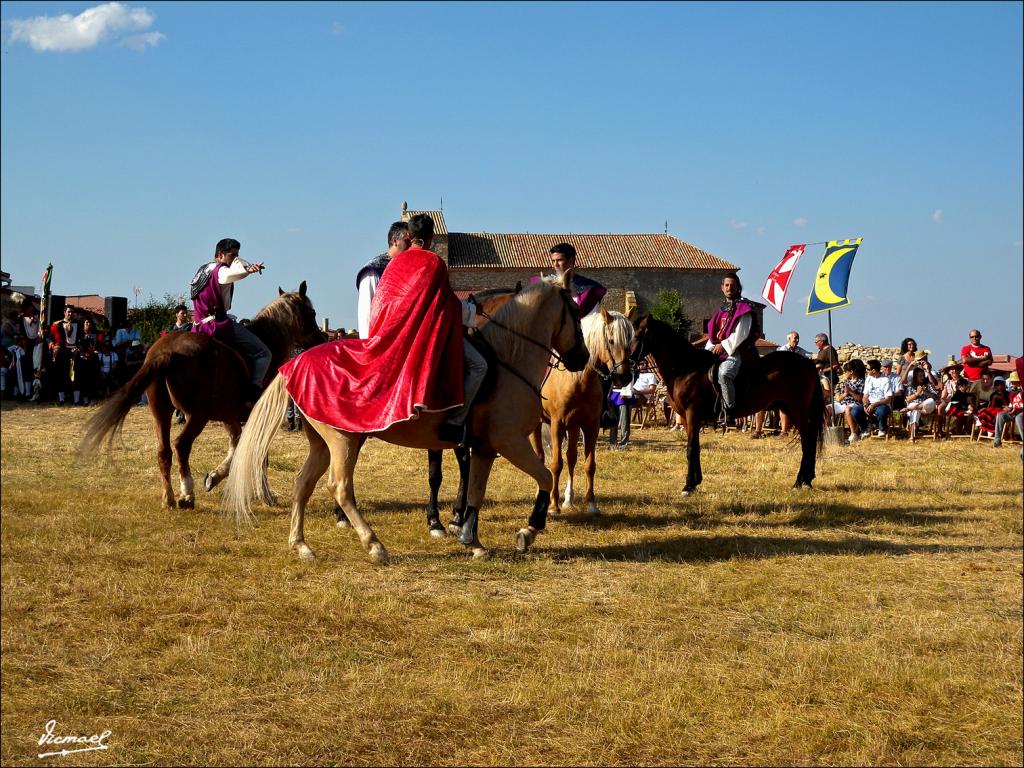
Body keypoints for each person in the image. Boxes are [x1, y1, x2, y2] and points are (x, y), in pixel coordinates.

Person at [278, 214, 469, 444]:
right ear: (428, 238)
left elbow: (387, 304)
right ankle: (454, 421)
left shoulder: (395, 264)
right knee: (476, 365)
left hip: (393, 334)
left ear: (410, 235)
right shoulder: (421, 263)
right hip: (390, 339)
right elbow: (443, 304)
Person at [190, 237, 270, 405]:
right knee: (264, 353)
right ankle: (253, 391)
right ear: (220, 254)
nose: (234, 259)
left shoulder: (202, 270)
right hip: (217, 325)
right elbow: (232, 274)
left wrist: (244, 266)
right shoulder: (221, 270)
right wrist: (250, 269)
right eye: (232, 255)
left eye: (236, 255)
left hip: (198, 326)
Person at [705, 272, 758, 421]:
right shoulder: (721, 310)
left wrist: (723, 346)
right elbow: (713, 334)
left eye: (732, 285)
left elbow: (741, 333)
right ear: (722, 288)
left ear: (738, 288)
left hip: (737, 352)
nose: (729, 288)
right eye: (726, 285)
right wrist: (708, 349)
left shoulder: (744, 308)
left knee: (724, 374)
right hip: (720, 350)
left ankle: (730, 410)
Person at [356, 221, 410, 340]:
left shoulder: (410, 269)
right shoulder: (374, 270)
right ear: (394, 240)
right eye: (407, 241)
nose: (411, 246)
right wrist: (368, 346)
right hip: (379, 342)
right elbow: (366, 314)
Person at [544, 242, 607, 317]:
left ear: (570, 261)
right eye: (553, 261)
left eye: (559, 260)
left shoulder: (590, 290)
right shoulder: (545, 285)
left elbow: (591, 321)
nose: (555, 264)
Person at [830, 359, 867, 443]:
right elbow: (839, 398)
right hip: (843, 402)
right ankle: (827, 432)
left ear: (851, 372)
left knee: (848, 409)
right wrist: (845, 394)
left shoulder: (861, 382)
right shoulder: (845, 382)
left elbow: (861, 398)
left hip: (855, 403)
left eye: (846, 371)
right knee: (828, 408)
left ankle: (853, 434)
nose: (845, 373)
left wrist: (851, 392)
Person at [49, 306, 80, 405]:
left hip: (75, 352)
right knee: (61, 375)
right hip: (63, 353)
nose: (70, 314)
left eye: (72, 312)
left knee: (76, 376)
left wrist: (78, 349)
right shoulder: (57, 325)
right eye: (69, 312)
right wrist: (53, 346)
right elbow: (52, 339)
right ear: (64, 312)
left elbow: (82, 338)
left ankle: (76, 400)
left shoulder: (79, 324)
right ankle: (61, 399)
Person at [901, 367, 939, 442]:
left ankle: (911, 409)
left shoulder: (928, 384)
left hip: (926, 407)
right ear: (915, 377)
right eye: (920, 376)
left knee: (930, 401)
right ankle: (912, 437)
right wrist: (916, 394)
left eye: (923, 375)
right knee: (915, 411)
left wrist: (927, 392)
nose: (922, 378)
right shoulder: (911, 386)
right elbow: (907, 399)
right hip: (915, 405)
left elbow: (936, 397)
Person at [863, 359, 894, 437]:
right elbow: (865, 395)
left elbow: (888, 399)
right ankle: (865, 427)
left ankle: (882, 429)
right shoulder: (868, 378)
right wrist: (864, 404)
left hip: (882, 403)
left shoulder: (885, 380)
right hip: (870, 403)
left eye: (868, 369)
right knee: (856, 411)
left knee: (881, 411)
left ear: (873, 370)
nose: (866, 371)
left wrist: (874, 404)